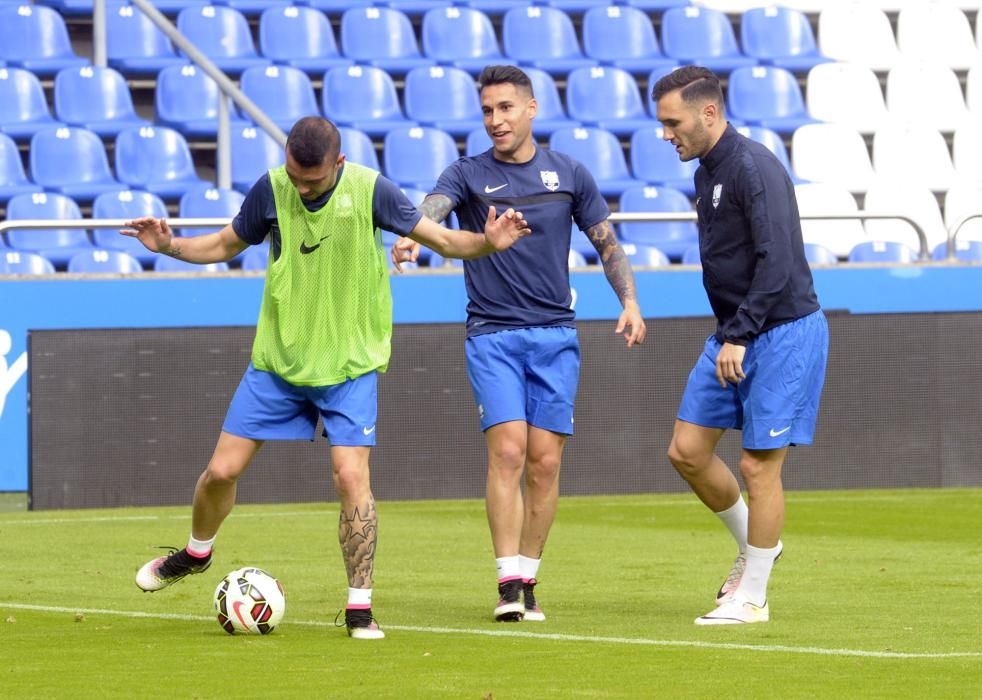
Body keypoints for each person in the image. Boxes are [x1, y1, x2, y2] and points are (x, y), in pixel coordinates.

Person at [125, 116, 530, 640]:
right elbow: (225, 244)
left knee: (350, 477)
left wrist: (488, 243)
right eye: (294, 175)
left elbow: (444, 241)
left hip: (348, 364)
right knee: (220, 473)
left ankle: (360, 605)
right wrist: (171, 246)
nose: (299, 187)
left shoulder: (371, 190)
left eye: (311, 180)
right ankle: (196, 553)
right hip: (279, 360)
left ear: (337, 164)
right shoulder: (271, 189)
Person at [393, 65, 646, 622]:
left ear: (531, 109)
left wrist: (629, 301)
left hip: (556, 335)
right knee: (508, 450)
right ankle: (507, 581)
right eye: (486, 110)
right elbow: (430, 211)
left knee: (544, 464)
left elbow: (607, 245)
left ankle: (529, 578)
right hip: (492, 334)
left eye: (506, 108)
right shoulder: (466, 172)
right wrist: (412, 239)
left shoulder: (569, 174)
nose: (495, 120)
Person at [651, 66, 829, 625]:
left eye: (671, 122)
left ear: (708, 113)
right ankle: (759, 546)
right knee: (687, 451)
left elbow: (774, 261)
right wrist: (732, 332)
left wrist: (740, 333)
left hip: (779, 332)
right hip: (735, 331)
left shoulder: (756, 168)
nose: (665, 135)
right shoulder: (707, 173)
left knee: (758, 466)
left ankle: (752, 596)